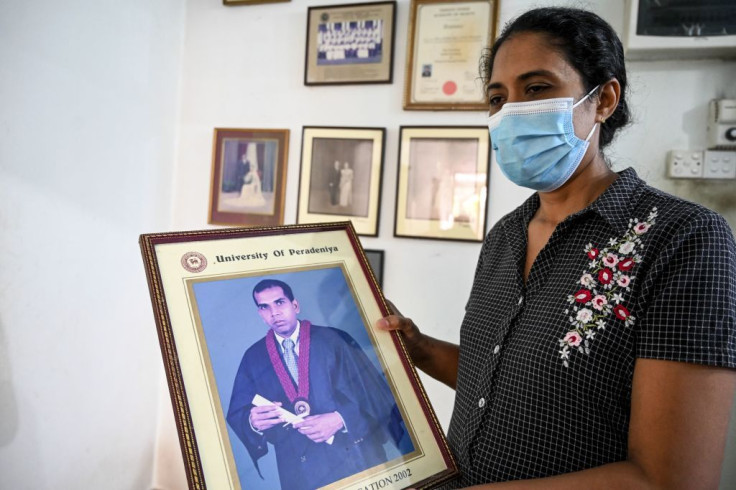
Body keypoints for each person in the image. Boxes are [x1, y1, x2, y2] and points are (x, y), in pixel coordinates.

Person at [377, 7, 736, 489]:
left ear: (604, 99)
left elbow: (672, 479)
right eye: (497, 98)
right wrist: (418, 348)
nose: (512, 113)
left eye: (538, 89)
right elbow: (507, 385)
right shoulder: (505, 235)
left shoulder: (683, 239)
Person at [227, 279, 406, 490]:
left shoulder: (334, 339)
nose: (274, 312)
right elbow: (239, 411)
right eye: (264, 307)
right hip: (298, 469)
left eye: (279, 302)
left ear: (295, 306)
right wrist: (252, 422)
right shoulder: (253, 357)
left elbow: (377, 394)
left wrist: (341, 419)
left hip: (354, 457)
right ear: (260, 314)